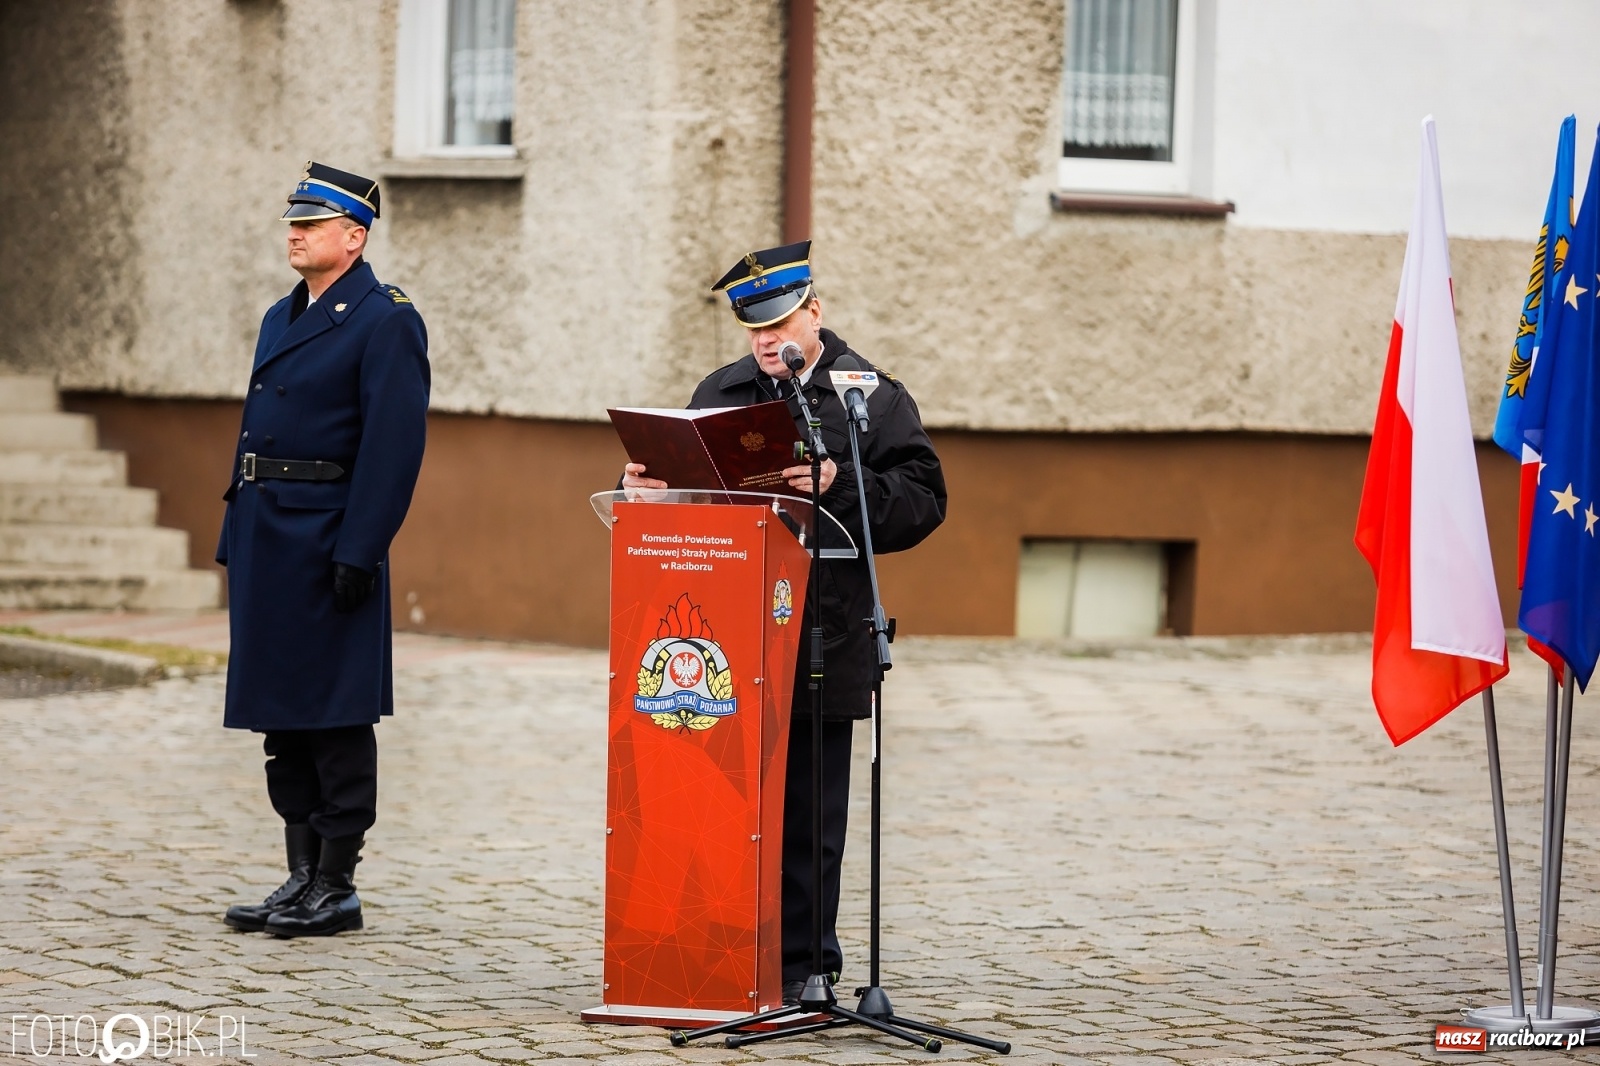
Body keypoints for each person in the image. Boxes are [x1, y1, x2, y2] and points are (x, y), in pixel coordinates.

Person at [622, 241, 947, 1001]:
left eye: (781, 321)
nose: (768, 340)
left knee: (808, 813)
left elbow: (925, 500)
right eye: (754, 328)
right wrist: (643, 487)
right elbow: (686, 490)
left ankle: (804, 965)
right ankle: (723, 949)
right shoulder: (722, 390)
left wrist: (842, 479)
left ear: (816, 313)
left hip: (821, 633)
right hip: (722, 634)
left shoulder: (868, 396)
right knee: (723, 802)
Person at [217, 162, 430, 938]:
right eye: (291, 224)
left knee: (334, 714)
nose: (295, 234)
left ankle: (337, 883)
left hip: (328, 538)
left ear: (355, 236)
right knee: (281, 715)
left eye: (310, 224)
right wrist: (232, 532)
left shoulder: (385, 318)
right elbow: (257, 432)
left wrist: (360, 549)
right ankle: (299, 874)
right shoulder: (282, 314)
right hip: (268, 535)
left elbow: (394, 447)